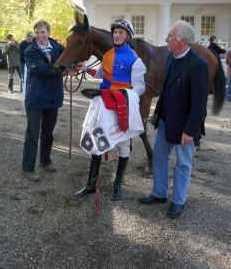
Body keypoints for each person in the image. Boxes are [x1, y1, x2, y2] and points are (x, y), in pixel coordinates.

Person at [138, 20, 209, 219]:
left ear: (182, 40)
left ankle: (178, 201)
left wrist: (190, 130)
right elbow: (165, 91)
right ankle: (159, 193)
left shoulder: (198, 65)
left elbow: (199, 104)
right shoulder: (171, 57)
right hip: (165, 121)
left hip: (185, 126)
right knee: (160, 157)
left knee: (183, 164)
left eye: (170, 36)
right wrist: (157, 113)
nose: (166, 39)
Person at [74, 18, 146, 201]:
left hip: (121, 106)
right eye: (115, 32)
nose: (117, 35)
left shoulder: (135, 60)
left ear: (128, 36)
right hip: (104, 104)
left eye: (121, 32)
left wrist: (125, 95)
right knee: (98, 141)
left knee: (123, 145)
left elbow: (140, 88)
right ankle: (91, 184)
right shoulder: (107, 56)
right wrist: (85, 69)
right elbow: (100, 75)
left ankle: (117, 186)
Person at [22, 20, 64, 181]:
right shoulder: (30, 51)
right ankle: (27, 168)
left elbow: (69, 59)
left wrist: (74, 66)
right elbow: (41, 69)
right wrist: (62, 69)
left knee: (48, 133)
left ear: (48, 32)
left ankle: (45, 161)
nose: (40, 35)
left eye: (43, 32)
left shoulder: (58, 48)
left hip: (53, 98)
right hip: (36, 98)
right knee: (32, 134)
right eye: (37, 32)